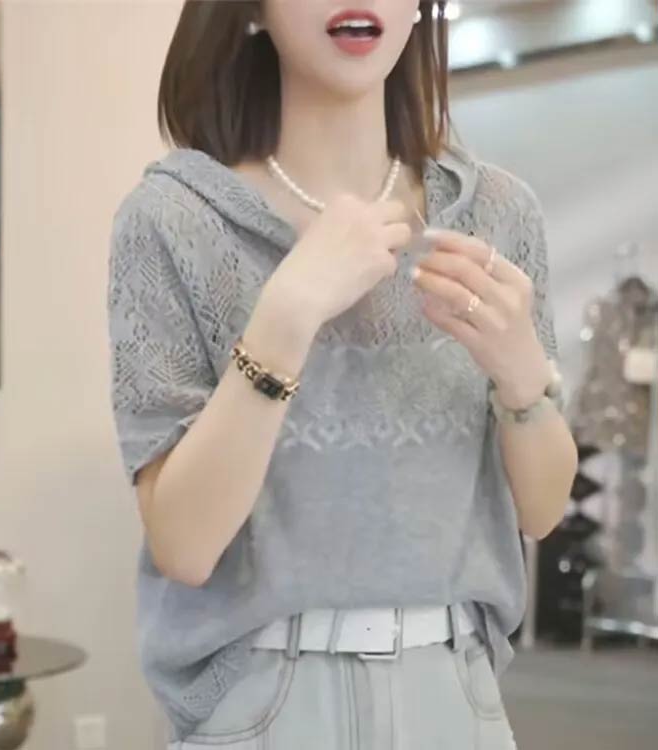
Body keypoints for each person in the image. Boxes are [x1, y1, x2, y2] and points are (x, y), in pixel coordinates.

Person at [107, 1, 579, 747]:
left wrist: (524, 375)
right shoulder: (173, 219)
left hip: (454, 692)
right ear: (252, 10)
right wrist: (287, 314)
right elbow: (184, 546)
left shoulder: (496, 213)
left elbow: (543, 510)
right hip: (262, 703)